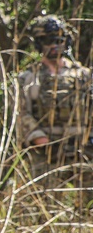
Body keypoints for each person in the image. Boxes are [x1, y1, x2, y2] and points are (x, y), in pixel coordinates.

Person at [16, 14, 93, 201]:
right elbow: (20, 114)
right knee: (43, 206)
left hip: (83, 150)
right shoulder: (28, 78)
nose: (55, 45)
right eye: (49, 41)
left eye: (60, 40)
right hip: (47, 153)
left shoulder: (84, 75)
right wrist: (39, 138)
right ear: (39, 44)